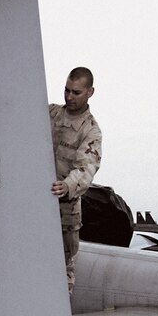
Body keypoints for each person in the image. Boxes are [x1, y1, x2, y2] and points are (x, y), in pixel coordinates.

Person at [49, 67, 102, 294]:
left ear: (90, 92)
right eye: (67, 90)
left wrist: (68, 186)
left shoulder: (91, 131)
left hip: (65, 209)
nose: (69, 97)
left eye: (76, 93)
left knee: (63, 269)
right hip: (35, 202)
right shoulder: (50, 114)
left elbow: (86, 167)